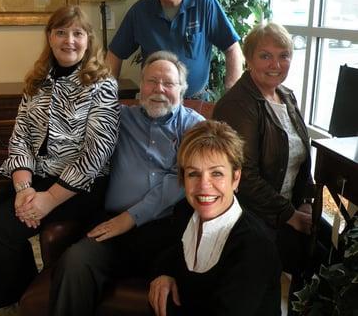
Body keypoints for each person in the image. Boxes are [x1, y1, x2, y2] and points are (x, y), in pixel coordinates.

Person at [49, 50, 204, 316]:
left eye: (168, 83)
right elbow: (72, 118)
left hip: (167, 233)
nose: (159, 89)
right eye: (152, 81)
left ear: (182, 89)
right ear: (140, 85)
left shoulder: (195, 127)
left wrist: (131, 217)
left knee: (178, 288)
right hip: (111, 227)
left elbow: (183, 179)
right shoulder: (117, 118)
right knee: (75, 262)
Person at [0, 5, 120, 309]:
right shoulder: (36, 82)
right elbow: (19, 139)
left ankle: (13, 296)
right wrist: (24, 189)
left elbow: (94, 157)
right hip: (38, 178)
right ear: (49, 37)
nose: (68, 40)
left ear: (88, 39)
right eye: (61, 32)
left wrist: (47, 201)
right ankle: (21, 293)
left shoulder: (102, 86)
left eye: (77, 33)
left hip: (81, 187)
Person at [213, 22, 314, 310]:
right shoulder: (238, 104)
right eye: (265, 55)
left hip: (286, 207)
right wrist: (289, 215)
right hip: (249, 212)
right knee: (308, 257)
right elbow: (243, 177)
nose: (276, 64)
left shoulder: (287, 96)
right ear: (248, 58)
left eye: (284, 55)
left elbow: (302, 158)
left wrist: (305, 203)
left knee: (331, 248)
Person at [149, 120, 281, 316]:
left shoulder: (255, 245)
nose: (204, 185)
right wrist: (163, 273)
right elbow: (170, 252)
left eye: (216, 173)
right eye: (194, 174)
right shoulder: (184, 212)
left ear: (235, 178)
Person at [107, 0, 243, 98]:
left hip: (196, 102)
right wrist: (107, 97)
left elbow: (232, 49)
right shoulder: (140, 11)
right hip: (155, 102)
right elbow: (115, 54)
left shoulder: (205, 3)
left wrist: (232, 93)